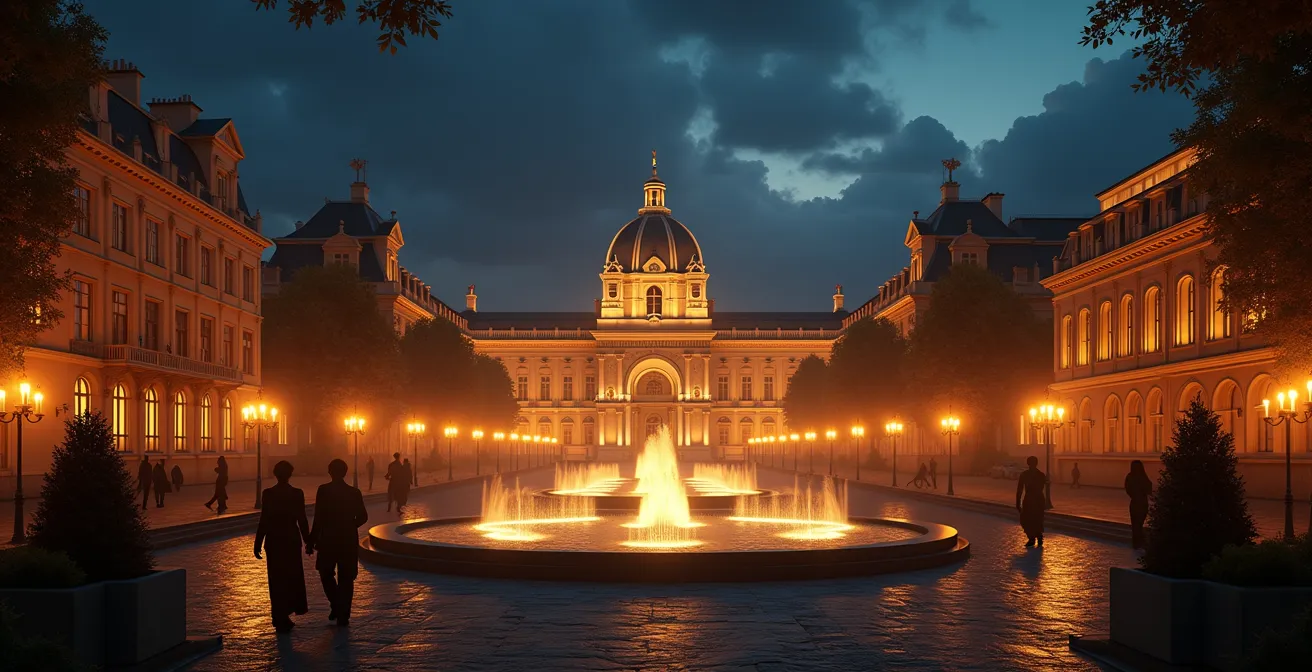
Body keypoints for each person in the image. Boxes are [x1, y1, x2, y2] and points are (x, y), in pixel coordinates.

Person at [308, 459, 368, 627]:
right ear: (345, 472)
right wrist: (350, 525)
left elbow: (318, 517)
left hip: (328, 538)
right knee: (346, 578)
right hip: (348, 539)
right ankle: (344, 613)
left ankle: (336, 603)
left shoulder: (324, 490)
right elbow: (363, 516)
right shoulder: (354, 492)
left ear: (330, 472)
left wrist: (312, 539)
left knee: (325, 573)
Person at [254, 460, 311, 633]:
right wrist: (308, 541)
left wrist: (258, 542)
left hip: (274, 540)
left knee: (276, 578)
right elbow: (302, 519)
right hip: (291, 540)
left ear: (275, 474)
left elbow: (264, 519)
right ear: (290, 474)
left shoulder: (268, 494)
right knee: (291, 577)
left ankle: (278, 615)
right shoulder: (297, 493)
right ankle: (285, 612)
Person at [1016, 456, 1047, 547]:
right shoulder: (1041, 475)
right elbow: (1043, 487)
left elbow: (1020, 490)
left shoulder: (1025, 475)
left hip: (1031, 500)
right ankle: (1037, 537)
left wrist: (1018, 503)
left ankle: (1033, 538)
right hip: (1037, 499)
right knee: (1035, 519)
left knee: (1029, 520)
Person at [1125, 460, 1153, 550]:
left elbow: (1127, 489)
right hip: (1142, 502)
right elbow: (1149, 488)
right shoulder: (1143, 476)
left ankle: (1136, 542)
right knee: (1139, 523)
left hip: (1134, 503)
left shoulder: (1130, 476)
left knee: (1135, 524)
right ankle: (1139, 541)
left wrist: (1134, 495)